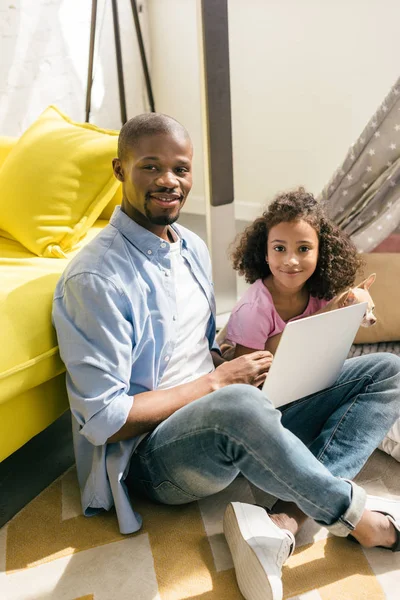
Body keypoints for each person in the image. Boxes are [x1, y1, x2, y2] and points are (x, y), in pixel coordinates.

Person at [52, 113, 400, 600]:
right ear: (119, 170)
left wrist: (244, 365)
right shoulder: (94, 280)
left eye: (181, 168)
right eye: (151, 167)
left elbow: (200, 346)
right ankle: (363, 520)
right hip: (158, 456)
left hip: (231, 409)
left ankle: (286, 520)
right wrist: (219, 384)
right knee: (238, 405)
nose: (169, 181)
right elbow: (103, 419)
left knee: (386, 370)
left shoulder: (189, 245)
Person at [225, 188, 367, 359]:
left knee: (388, 363)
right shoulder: (253, 309)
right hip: (265, 382)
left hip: (313, 374)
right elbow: (245, 377)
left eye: (303, 249)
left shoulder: (321, 293)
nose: (291, 261)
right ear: (265, 254)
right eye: (279, 248)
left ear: (321, 253)